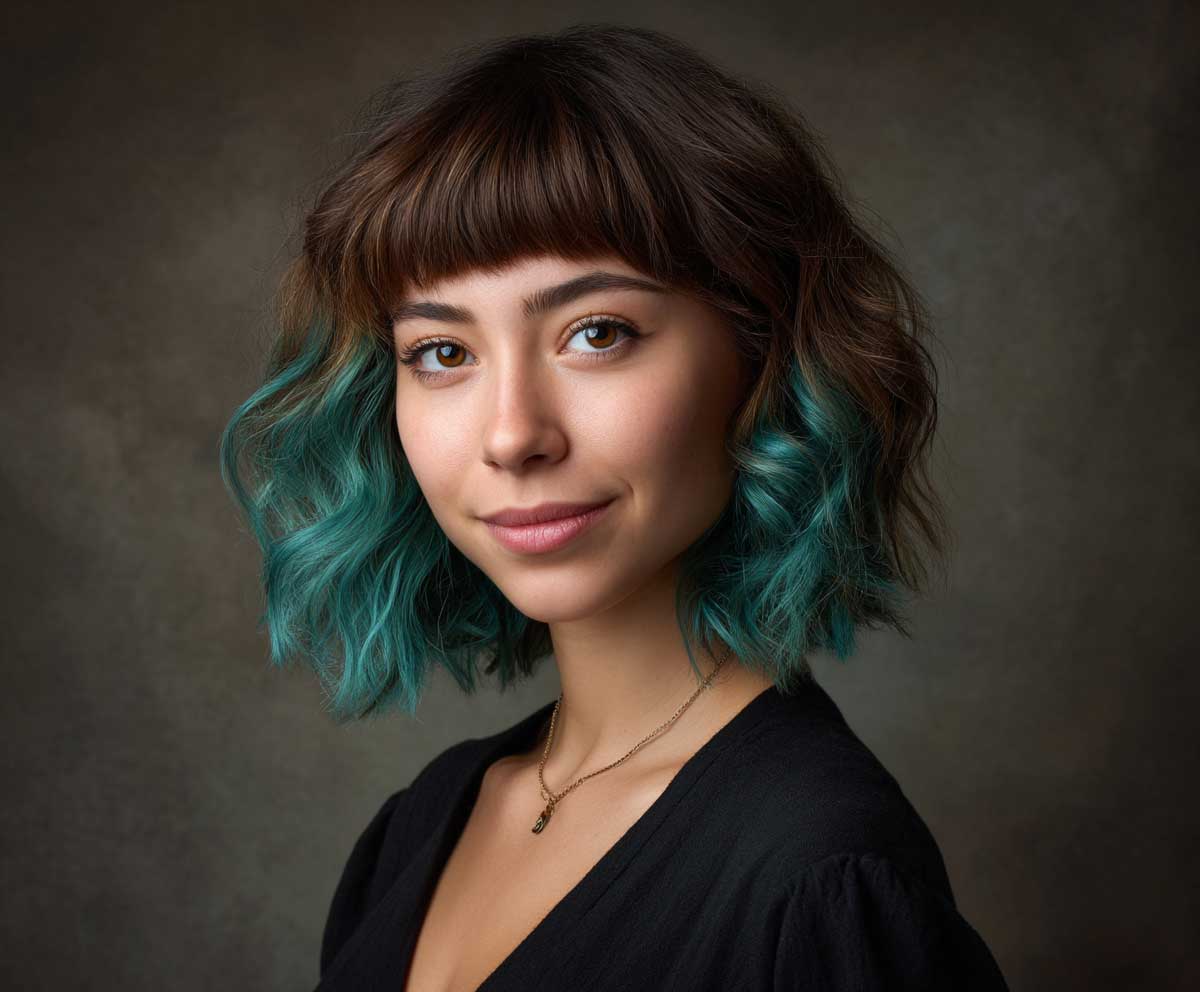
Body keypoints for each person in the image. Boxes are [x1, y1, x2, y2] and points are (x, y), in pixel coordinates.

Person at [220, 22, 1011, 991]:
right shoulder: (419, 826)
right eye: (442, 351)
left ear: (762, 356)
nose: (512, 434)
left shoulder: (822, 879)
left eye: (597, 332)